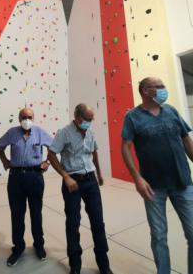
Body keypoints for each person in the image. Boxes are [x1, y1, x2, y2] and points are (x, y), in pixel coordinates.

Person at [121, 77, 193, 274]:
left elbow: (187, 140)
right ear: (146, 91)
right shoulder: (133, 117)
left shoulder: (171, 111)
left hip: (183, 183)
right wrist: (137, 177)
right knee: (159, 236)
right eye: (160, 86)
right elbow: (126, 147)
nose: (164, 89)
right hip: (153, 187)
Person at [48, 104, 113, 274]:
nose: (90, 122)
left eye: (91, 119)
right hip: (73, 182)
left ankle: (103, 264)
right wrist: (66, 177)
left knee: (98, 222)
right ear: (77, 117)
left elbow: (94, 152)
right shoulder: (64, 132)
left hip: (90, 181)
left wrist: (98, 173)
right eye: (87, 119)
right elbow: (51, 154)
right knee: (73, 223)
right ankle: (75, 266)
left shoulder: (90, 132)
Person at [0, 107, 53, 266]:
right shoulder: (12, 133)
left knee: (36, 212)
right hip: (16, 178)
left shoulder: (40, 132)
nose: (26, 119)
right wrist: (4, 161)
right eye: (23, 117)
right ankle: (18, 248)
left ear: (33, 118)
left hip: (35, 177)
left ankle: (39, 245)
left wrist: (47, 162)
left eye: (29, 116)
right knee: (17, 214)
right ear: (19, 118)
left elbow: (54, 147)